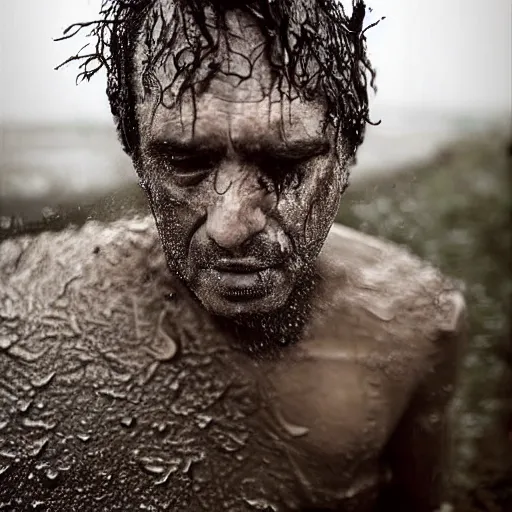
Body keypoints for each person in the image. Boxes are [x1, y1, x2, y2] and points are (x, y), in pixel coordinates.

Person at [0, 1, 466, 510]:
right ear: (136, 154)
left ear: (346, 154)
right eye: (185, 161)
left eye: (285, 161)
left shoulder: (418, 323)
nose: (230, 227)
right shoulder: (17, 301)